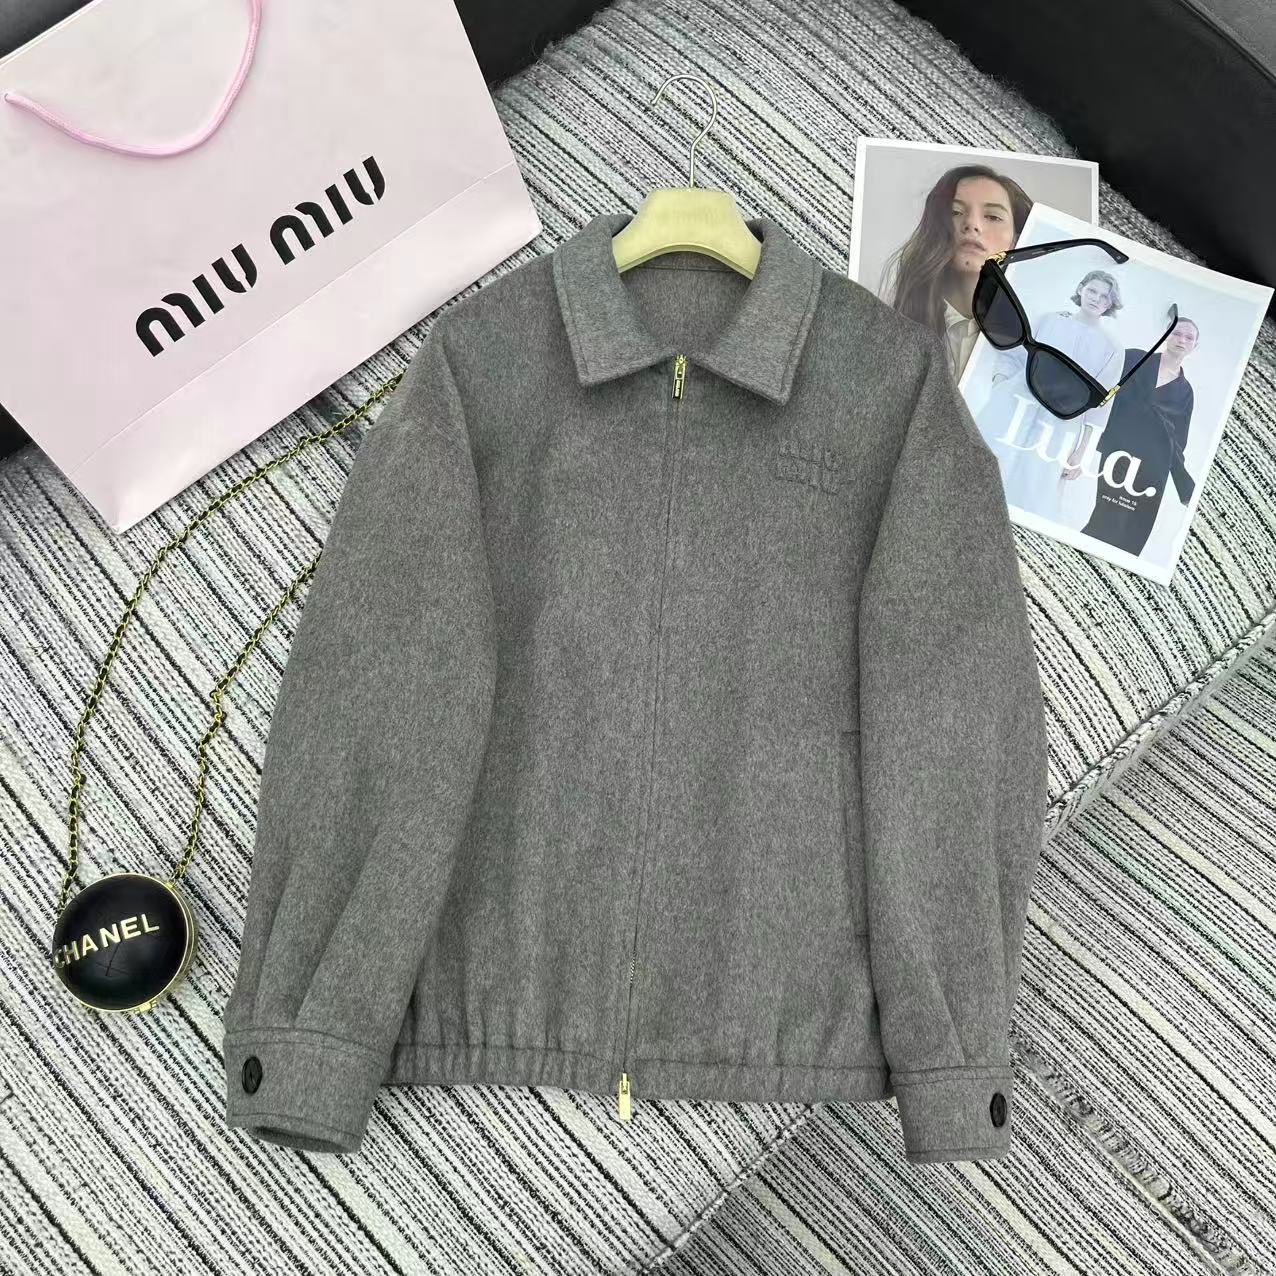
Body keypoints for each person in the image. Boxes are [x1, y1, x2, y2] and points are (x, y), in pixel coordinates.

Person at [980, 270, 1124, 520]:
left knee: (1034, 489)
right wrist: (999, 390)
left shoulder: (1112, 348)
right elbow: (1013, 356)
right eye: (1092, 290)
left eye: (1104, 297)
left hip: (1059, 424)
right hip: (1016, 404)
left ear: (1110, 304)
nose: (1096, 299)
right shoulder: (1049, 320)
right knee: (986, 467)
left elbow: (1101, 406)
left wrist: (1082, 452)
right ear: (1080, 288)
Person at [881, 164, 1033, 378]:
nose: (972, 224)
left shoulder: (1034, 337)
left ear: (1015, 240)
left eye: (992, 217)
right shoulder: (891, 327)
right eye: (955, 212)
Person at [1080, 314, 1199, 555]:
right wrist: (1083, 446)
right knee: (1107, 516)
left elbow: (1177, 442)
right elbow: (1102, 397)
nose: (1182, 340)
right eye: (1177, 333)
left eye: (1189, 337)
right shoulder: (1134, 358)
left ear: (1194, 346)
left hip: (1155, 466)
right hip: (1118, 451)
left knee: (1135, 530)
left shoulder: (1186, 391)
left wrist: (1185, 486)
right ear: (1166, 335)